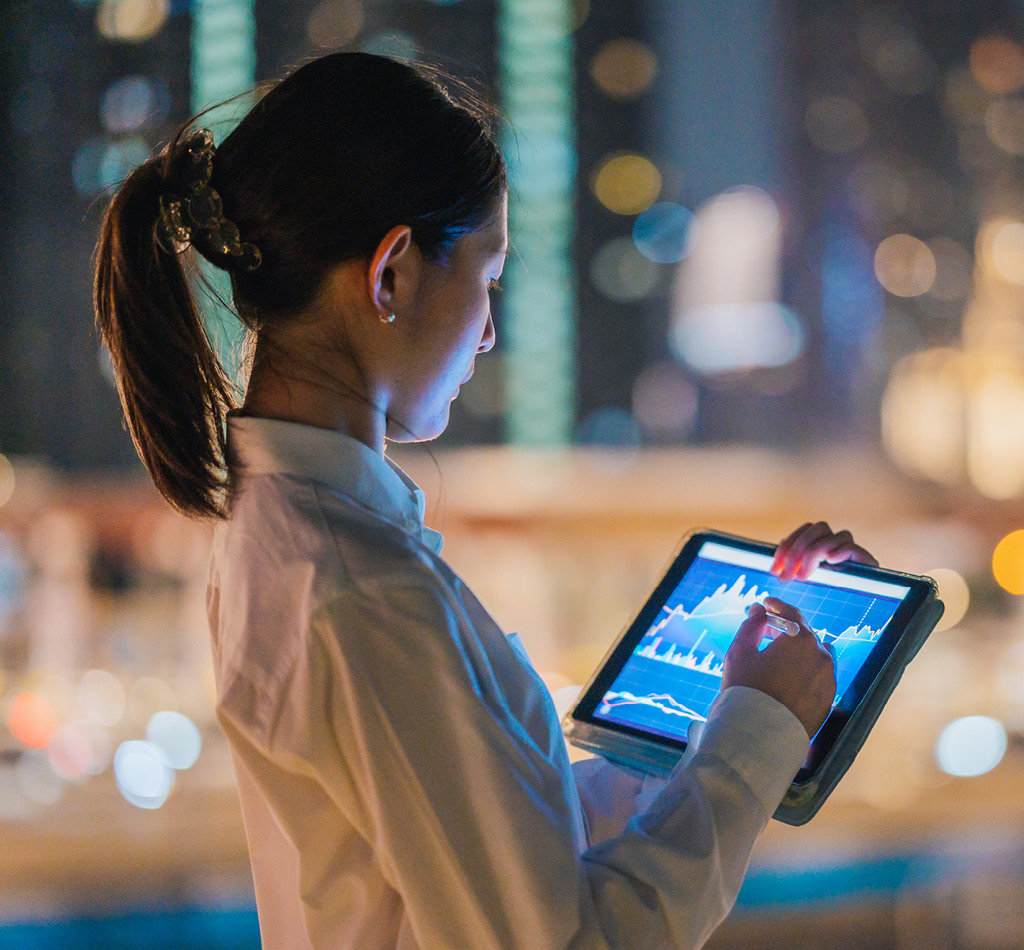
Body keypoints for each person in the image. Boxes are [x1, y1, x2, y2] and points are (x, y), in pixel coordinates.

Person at [93, 51, 878, 950]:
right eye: (488, 277)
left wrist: (731, 715)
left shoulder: (289, 533)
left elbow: (489, 840)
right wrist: (758, 725)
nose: (492, 330)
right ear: (392, 274)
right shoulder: (362, 589)